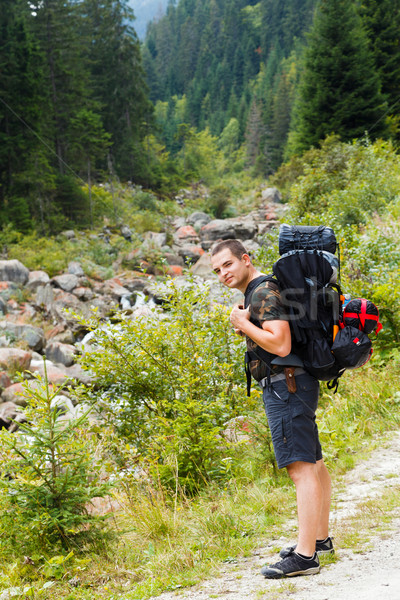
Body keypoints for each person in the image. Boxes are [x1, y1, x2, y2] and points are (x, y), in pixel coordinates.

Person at [211, 239, 334, 579]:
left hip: (286, 386)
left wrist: (242, 322)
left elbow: (280, 342)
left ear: (245, 259)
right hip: (297, 381)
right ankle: (320, 539)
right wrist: (250, 327)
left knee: (300, 468)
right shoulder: (266, 288)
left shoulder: (261, 291)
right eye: (217, 270)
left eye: (227, 265)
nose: (223, 273)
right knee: (314, 461)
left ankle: (305, 556)